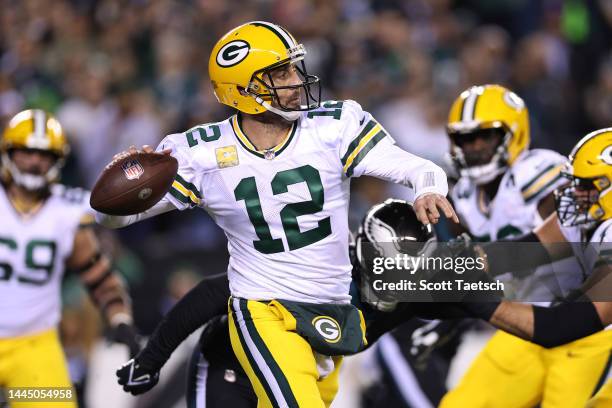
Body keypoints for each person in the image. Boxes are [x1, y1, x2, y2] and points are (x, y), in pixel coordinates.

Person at [96, 21, 457, 407]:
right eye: (279, 73)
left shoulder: (331, 126)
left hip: (329, 312)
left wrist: (429, 188)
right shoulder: (200, 153)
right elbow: (114, 219)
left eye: (292, 67)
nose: (294, 79)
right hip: (262, 311)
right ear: (244, 90)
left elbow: (417, 167)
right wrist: (118, 191)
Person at [116, 199, 468, 407]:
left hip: (309, 371)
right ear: (366, 254)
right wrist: (152, 358)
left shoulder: (411, 291)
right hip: (234, 367)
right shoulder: (320, 268)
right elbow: (213, 294)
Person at [439, 84, 605, 408]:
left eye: (483, 137)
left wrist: (470, 283)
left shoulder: (537, 171)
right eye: (464, 138)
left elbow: (557, 243)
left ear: (512, 135)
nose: (472, 148)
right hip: (528, 323)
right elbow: (506, 259)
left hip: (586, 326)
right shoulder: (464, 196)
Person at [0, 109, 139, 408]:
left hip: (34, 345)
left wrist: (120, 318)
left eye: (44, 154)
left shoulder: (68, 209)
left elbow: (98, 275)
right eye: (26, 152)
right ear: (9, 151)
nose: (35, 162)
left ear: (58, 159)